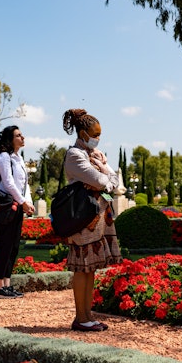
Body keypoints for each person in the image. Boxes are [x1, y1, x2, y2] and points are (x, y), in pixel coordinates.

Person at [61, 108, 122, 331]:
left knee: (90, 268)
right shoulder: (75, 155)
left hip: (97, 218)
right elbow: (103, 183)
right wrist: (106, 172)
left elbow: (114, 181)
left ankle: (88, 315)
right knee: (82, 268)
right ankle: (81, 317)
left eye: (99, 134)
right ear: (82, 133)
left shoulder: (93, 155)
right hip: (83, 218)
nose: (98, 138)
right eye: (94, 134)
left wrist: (105, 167)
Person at [0, 125, 35, 299]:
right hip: (7, 206)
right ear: (10, 139)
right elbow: (8, 183)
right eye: (18, 135)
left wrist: (28, 202)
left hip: (18, 206)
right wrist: (22, 201)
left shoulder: (18, 158)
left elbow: (25, 184)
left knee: (14, 245)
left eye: (22, 135)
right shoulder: (4, 157)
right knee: (4, 244)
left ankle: (7, 285)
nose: (22, 138)